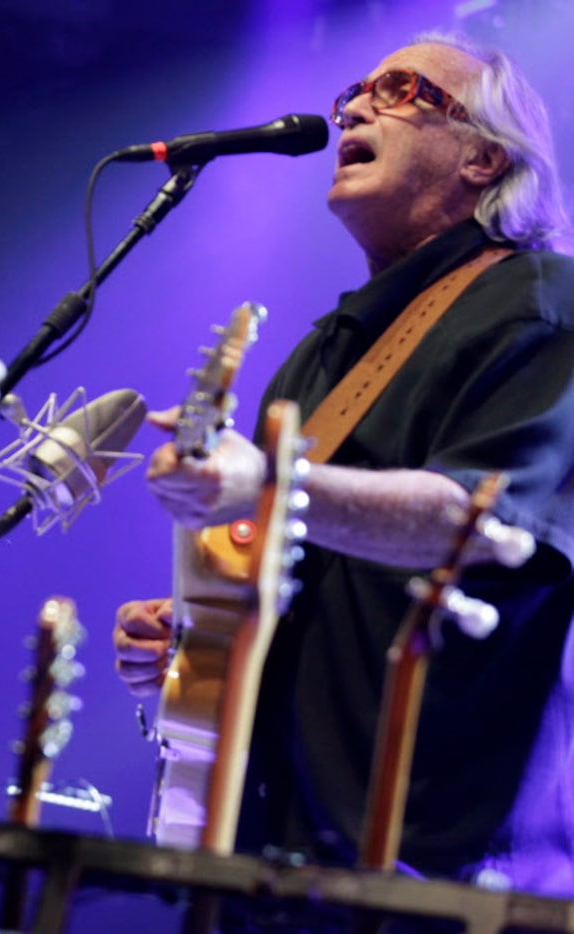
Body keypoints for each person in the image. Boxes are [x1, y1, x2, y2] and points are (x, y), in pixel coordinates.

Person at [114, 32, 574, 903]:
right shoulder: (317, 355)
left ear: (483, 155)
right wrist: (200, 635)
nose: (355, 106)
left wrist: (272, 486)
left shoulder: (543, 302)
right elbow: (294, 570)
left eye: (400, 89)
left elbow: (484, 524)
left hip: (446, 866)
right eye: (353, 92)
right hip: (276, 853)